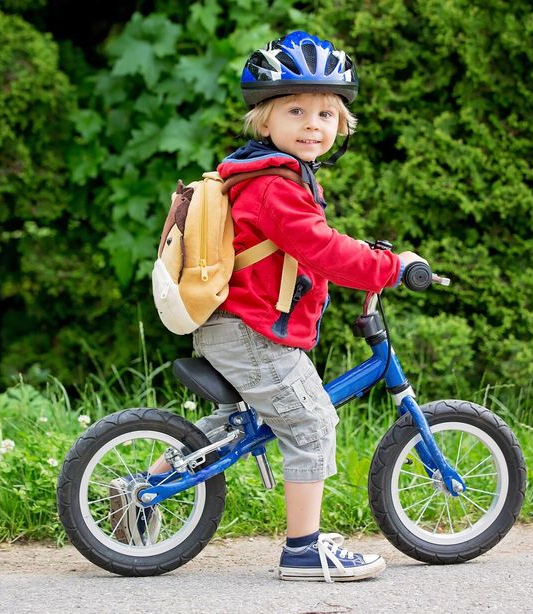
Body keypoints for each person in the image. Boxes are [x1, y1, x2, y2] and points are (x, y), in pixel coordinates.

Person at [114, 31, 425, 582]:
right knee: (310, 422)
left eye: (327, 113)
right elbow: (321, 247)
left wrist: (366, 255)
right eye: (297, 109)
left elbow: (308, 241)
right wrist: (388, 266)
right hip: (252, 332)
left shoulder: (269, 176)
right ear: (264, 121)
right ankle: (304, 550)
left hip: (235, 326)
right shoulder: (275, 187)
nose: (313, 123)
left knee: (230, 428)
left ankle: (137, 492)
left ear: (341, 126)